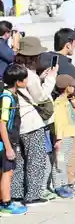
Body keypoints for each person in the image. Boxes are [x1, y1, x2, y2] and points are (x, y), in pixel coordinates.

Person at [12, 36, 57, 206]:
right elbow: (41, 97)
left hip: (18, 123)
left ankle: (16, 194)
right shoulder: (29, 75)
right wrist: (51, 78)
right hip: (32, 122)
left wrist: (41, 77)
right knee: (35, 159)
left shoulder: (14, 70)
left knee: (20, 160)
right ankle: (33, 195)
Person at [39, 28, 75, 189]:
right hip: (67, 111)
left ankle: (51, 182)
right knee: (69, 150)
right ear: (68, 44)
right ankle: (67, 182)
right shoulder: (66, 66)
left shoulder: (44, 60)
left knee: (53, 151)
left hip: (48, 112)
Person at [0, 64, 28, 215]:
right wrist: (8, 147)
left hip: (10, 140)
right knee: (7, 172)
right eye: (25, 78)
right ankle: (6, 204)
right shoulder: (7, 98)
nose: (27, 81)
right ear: (18, 81)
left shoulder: (12, 95)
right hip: (5, 143)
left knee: (7, 171)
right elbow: (2, 124)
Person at [50, 75, 75, 198]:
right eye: (72, 85)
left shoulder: (67, 101)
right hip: (63, 137)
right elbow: (58, 122)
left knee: (65, 161)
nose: (74, 87)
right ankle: (58, 186)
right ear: (66, 87)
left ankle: (64, 184)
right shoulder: (59, 103)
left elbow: (72, 116)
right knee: (59, 162)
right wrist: (58, 139)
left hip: (69, 135)